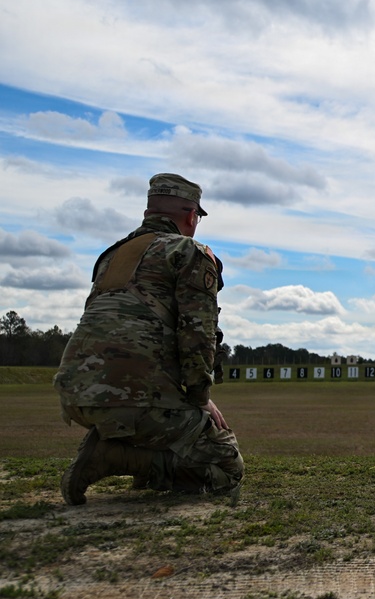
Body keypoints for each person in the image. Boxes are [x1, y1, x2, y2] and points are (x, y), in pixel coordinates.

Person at [54, 173, 244, 505]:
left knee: (169, 421)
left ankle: (131, 459)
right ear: (190, 216)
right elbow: (197, 335)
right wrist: (200, 398)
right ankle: (109, 457)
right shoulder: (189, 251)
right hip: (134, 401)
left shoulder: (112, 255)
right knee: (226, 467)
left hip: (75, 396)